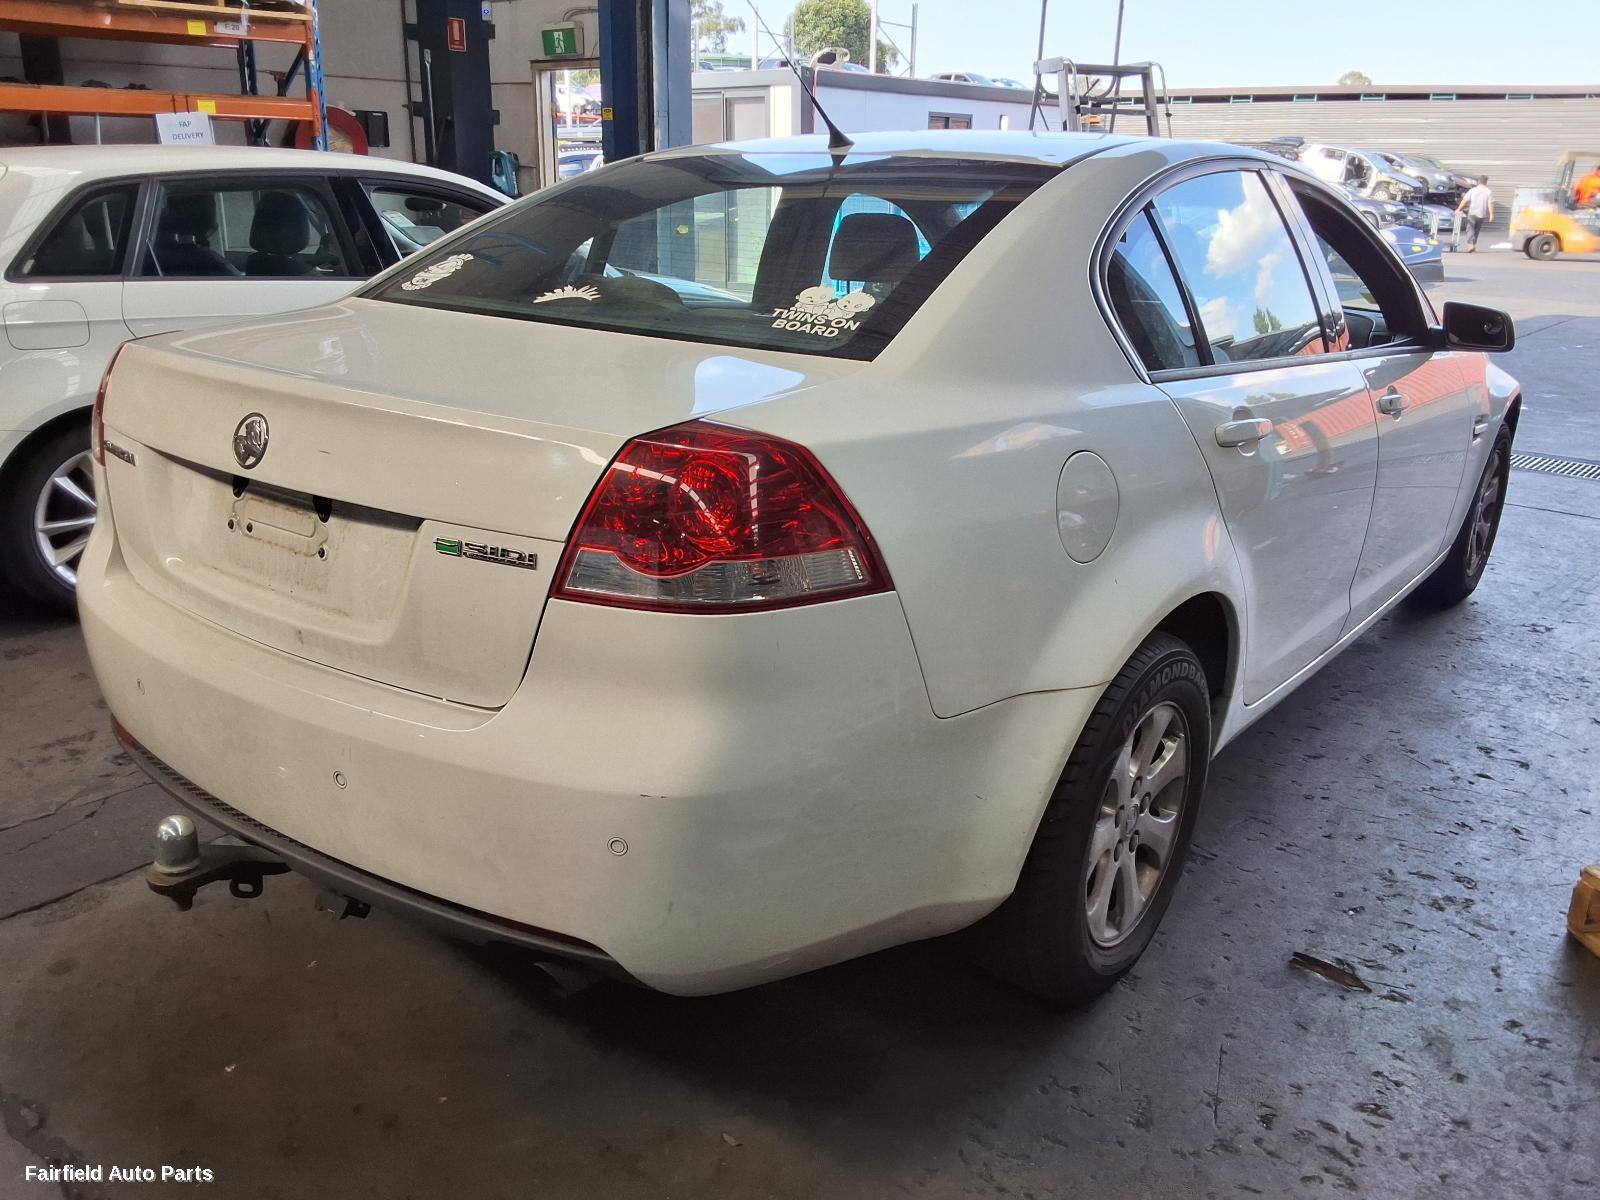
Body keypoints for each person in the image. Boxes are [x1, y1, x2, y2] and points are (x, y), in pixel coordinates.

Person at [1455, 176, 1495, 252]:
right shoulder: (1488, 191)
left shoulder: (1473, 190)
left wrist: (1458, 209)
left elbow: (1465, 200)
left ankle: (1470, 244)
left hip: (1472, 212)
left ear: (1479, 182)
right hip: (1482, 213)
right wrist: (1492, 215)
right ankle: (1473, 244)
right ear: (1486, 182)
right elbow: (1490, 204)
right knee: (1476, 229)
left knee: (1470, 228)